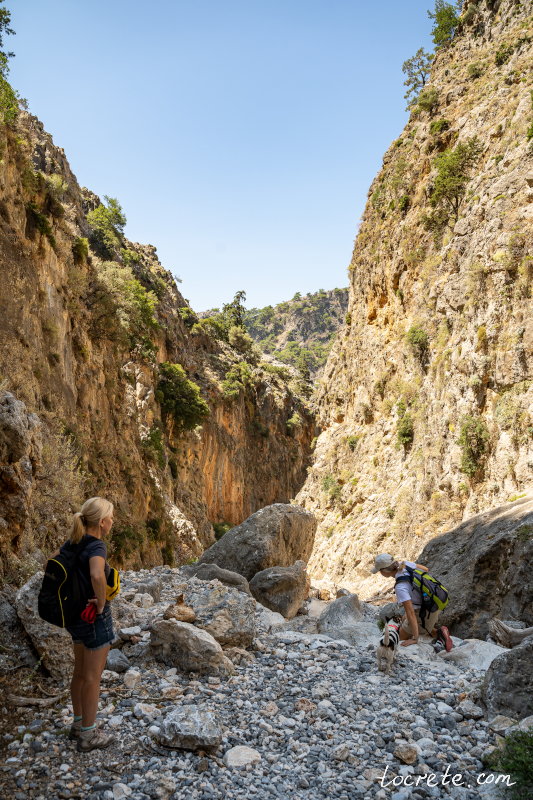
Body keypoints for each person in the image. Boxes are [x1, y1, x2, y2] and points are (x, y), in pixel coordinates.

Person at [59, 496, 117, 752]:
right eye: (111, 518)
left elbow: (51, 563)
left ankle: (78, 724)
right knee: (93, 677)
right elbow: (96, 574)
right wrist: (101, 603)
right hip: (93, 617)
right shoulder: (96, 546)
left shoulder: (73, 542)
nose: (112, 521)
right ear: (102, 522)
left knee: (80, 673)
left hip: (75, 616)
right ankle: (89, 735)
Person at [371, 553, 453, 651]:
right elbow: (425, 569)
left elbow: (411, 613)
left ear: (385, 571)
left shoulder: (400, 587)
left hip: (426, 611)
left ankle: (439, 633)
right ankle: (433, 630)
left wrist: (415, 638)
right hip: (434, 601)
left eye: (379, 571)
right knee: (405, 619)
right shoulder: (404, 564)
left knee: (400, 638)